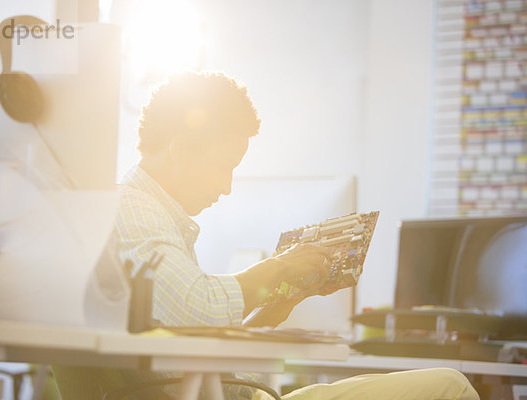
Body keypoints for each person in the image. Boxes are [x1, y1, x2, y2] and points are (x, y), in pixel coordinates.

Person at [114, 71, 479, 400]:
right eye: (224, 166)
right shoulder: (133, 209)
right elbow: (200, 308)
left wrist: (274, 310)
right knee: (451, 386)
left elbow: (205, 355)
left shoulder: (153, 215)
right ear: (179, 151)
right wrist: (278, 269)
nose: (226, 187)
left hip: (225, 394)